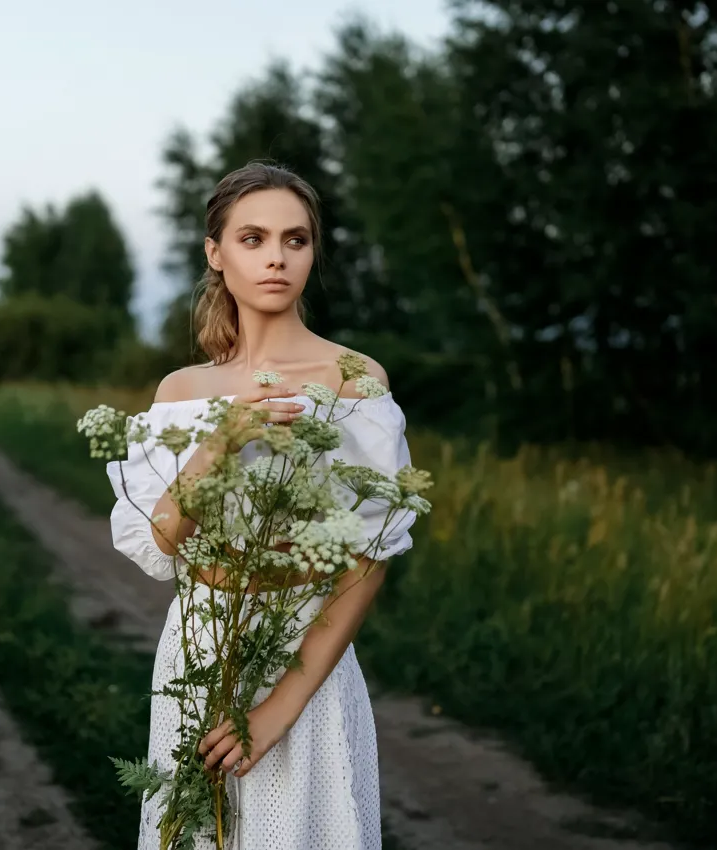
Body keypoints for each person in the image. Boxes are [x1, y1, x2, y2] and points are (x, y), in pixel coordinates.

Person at [106, 160, 417, 849]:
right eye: (253, 239)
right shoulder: (182, 390)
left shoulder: (354, 380)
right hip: (198, 644)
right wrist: (220, 441)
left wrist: (279, 708)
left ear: (312, 251)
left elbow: (371, 556)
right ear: (216, 253)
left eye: (295, 240)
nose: (276, 257)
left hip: (305, 650)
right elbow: (157, 544)